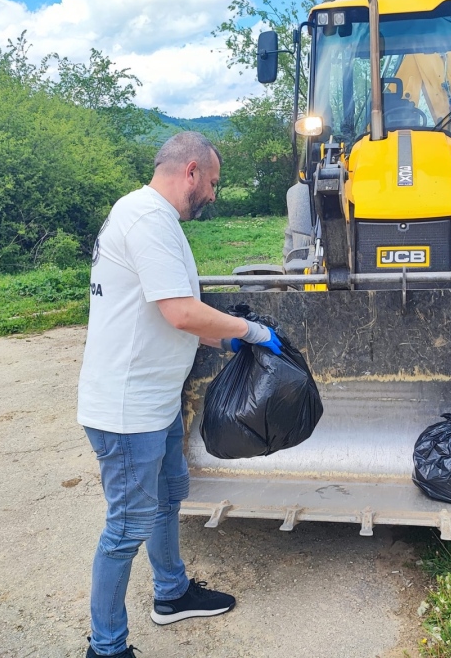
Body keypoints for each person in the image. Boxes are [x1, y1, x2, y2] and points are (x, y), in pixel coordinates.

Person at [77, 131, 282, 658]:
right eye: (212, 182)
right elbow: (179, 311)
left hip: (154, 401)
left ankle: (171, 594)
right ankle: (106, 647)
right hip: (127, 410)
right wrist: (247, 331)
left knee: (169, 498)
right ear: (190, 171)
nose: (213, 194)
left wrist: (230, 342)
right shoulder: (147, 220)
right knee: (125, 527)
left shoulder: (152, 218)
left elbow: (174, 313)